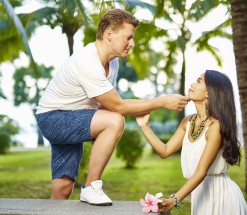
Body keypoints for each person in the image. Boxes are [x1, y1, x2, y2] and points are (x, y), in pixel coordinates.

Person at [35, 8, 189, 206]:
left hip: (72, 117)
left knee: (62, 189)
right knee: (115, 120)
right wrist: (161, 102)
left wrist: (138, 110)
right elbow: (117, 107)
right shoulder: (87, 61)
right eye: (128, 37)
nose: (132, 43)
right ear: (109, 34)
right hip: (54, 118)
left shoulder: (112, 63)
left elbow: (107, 104)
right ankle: (91, 187)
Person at [136, 70, 247, 214]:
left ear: (209, 93)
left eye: (198, 81)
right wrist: (144, 125)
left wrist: (174, 200)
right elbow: (164, 151)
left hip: (221, 197)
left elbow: (201, 171)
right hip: (199, 195)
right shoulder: (188, 121)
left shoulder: (215, 126)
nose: (192, 84)